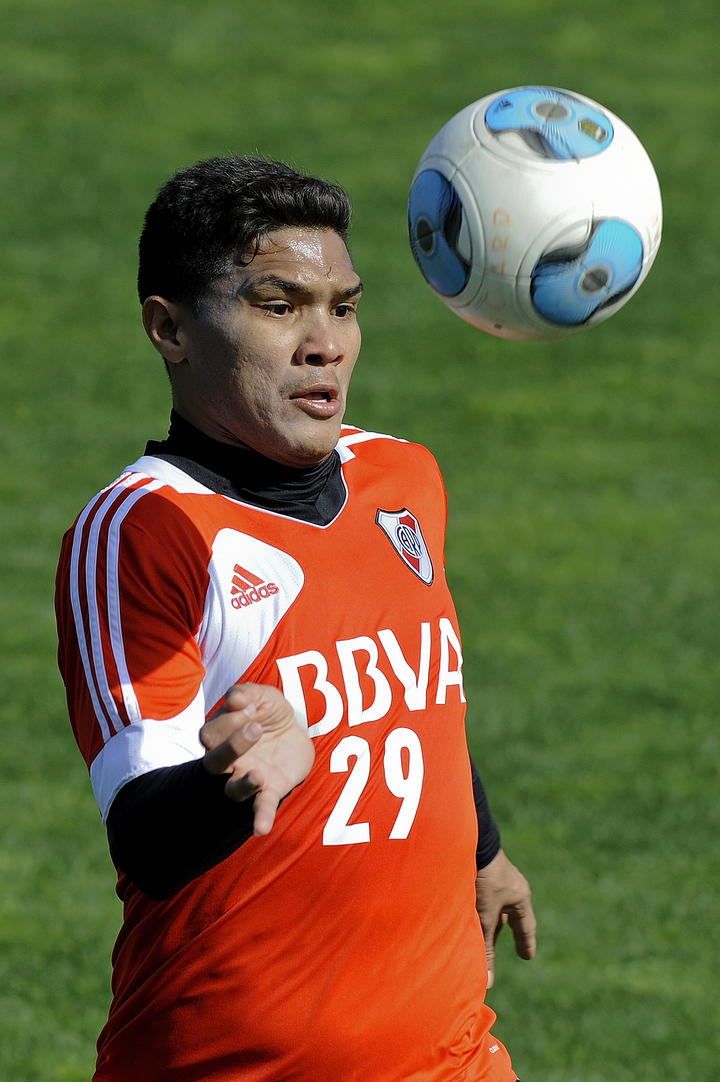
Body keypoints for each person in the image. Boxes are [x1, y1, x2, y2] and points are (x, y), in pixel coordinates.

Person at [55, 155, 536, 1082]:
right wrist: (231, 780)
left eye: (343, 308)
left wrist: (484, 848)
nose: (326, 345)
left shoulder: (404, 477)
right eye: (280, 307)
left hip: (450, 1057)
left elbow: (421, 703)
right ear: (170, 328)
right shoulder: (144, 532)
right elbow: (146, 839)